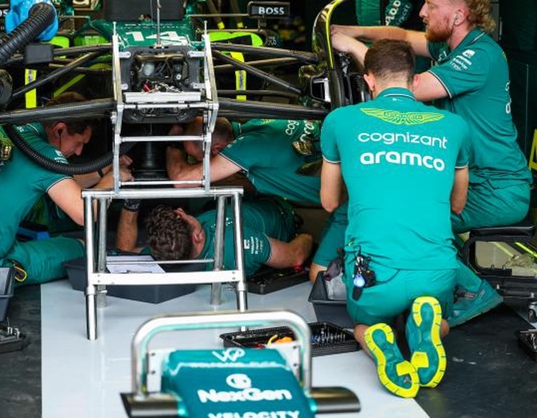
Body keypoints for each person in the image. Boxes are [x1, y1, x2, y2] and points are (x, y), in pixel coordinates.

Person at [331, 0, 533, 326]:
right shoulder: (449, 46)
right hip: (472, 181)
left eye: (431, 5)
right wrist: (350, 30)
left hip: (497, 189)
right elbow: (399, 36)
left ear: (458, 15)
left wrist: (350, 46)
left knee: (405, 214)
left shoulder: (480, 55)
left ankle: (471, 289)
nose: (422, 12)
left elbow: (410, 87)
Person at [320, 39, 470, 397]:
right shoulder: (454, 126)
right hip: (435, 270)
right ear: (414, 79)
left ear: (369, 80)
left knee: (363, 324)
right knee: (441, 320)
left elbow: (328, 201)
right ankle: (424, 329)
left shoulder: (340, 121)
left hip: (375, 274)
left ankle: (379, 340)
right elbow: (458, 205)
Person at [0, 92, 132, 285]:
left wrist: (101, 171)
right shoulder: (44, 155)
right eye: (78, 143)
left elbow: (61, 184)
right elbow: (84, 214)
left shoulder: (10, 126)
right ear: (59, 130)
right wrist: (113, 178)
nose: (79, 152)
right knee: (81, 247)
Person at [167, 116, 347, 280]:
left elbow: (181, 179)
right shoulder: (258, 122)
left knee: (319, 277)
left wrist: (173, 141)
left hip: (348, 202)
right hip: (349, 173)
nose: (197, 162)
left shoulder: (246, 147)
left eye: (196, 158)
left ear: (217, 149)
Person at [115, 198, 313, 276]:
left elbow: (124, 253)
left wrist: (131, 203)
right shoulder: (239, 243)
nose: (181, 210)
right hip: (282, 212)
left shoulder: (168, 249)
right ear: (197, 236)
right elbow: (295, 255)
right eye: (181, 216)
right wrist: (309, 236)